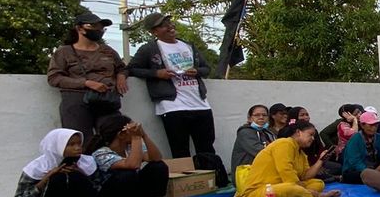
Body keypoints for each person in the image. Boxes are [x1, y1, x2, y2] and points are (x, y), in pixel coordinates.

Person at [127, 13, 215, 159]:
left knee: (206, 147)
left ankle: (211, 180)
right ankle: (187, 181)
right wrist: (157, 73)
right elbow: (132, 68)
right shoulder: (149, 49)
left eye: (169, 22)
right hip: (172, 105)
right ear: (154, 31)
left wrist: (197, 71)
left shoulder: (188, 45)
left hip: (200, 103)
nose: (169, 27)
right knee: (180, 149)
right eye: (163, 25)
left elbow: (207, 68)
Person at [47, 11, 129, 143]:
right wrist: (86, 83)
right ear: (80, 28)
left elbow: (122, 68)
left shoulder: (107, 50)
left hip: (106, 100)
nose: (99, 30)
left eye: (101, 27)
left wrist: (121, 76)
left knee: (117, 136)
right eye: (94, 26)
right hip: (77, 101)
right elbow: (54, 77)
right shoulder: (64, 52)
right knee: (82, 142)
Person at [86, 113, 170, 197]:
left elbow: (156, 158)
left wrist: (143, 135)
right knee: (126, 173)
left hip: (131, 194)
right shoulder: (101, 153)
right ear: (121, 135)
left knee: (158, 166)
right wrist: (136, 138)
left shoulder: (130, 147)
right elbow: (132, 165)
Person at [236, 120, 340, 197]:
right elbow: (285, 171)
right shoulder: (284, 143)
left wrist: (320, 160)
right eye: (310, 134)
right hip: (259, 193)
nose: (313, 138)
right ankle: (317, 196)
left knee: (318, 183)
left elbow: (305, 176)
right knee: (292, 188)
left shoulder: (301, 153)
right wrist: (306, 190)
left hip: (283, 187)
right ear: (298, 132)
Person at [340, 110, 380, 185]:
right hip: (355, 170)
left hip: (374, 169)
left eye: (376, 125)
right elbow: (354, 162)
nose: (374, 128)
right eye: (370, 125)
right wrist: (370, 173)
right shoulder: (355, 139)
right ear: (362, 125)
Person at [230, 104, 275, 170]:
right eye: (257, 115)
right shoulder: (245, 132)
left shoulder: (268, 133)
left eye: (264, 115)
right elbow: (261, 152)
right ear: (250, 118)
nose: (261, 117)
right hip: (247, 173)